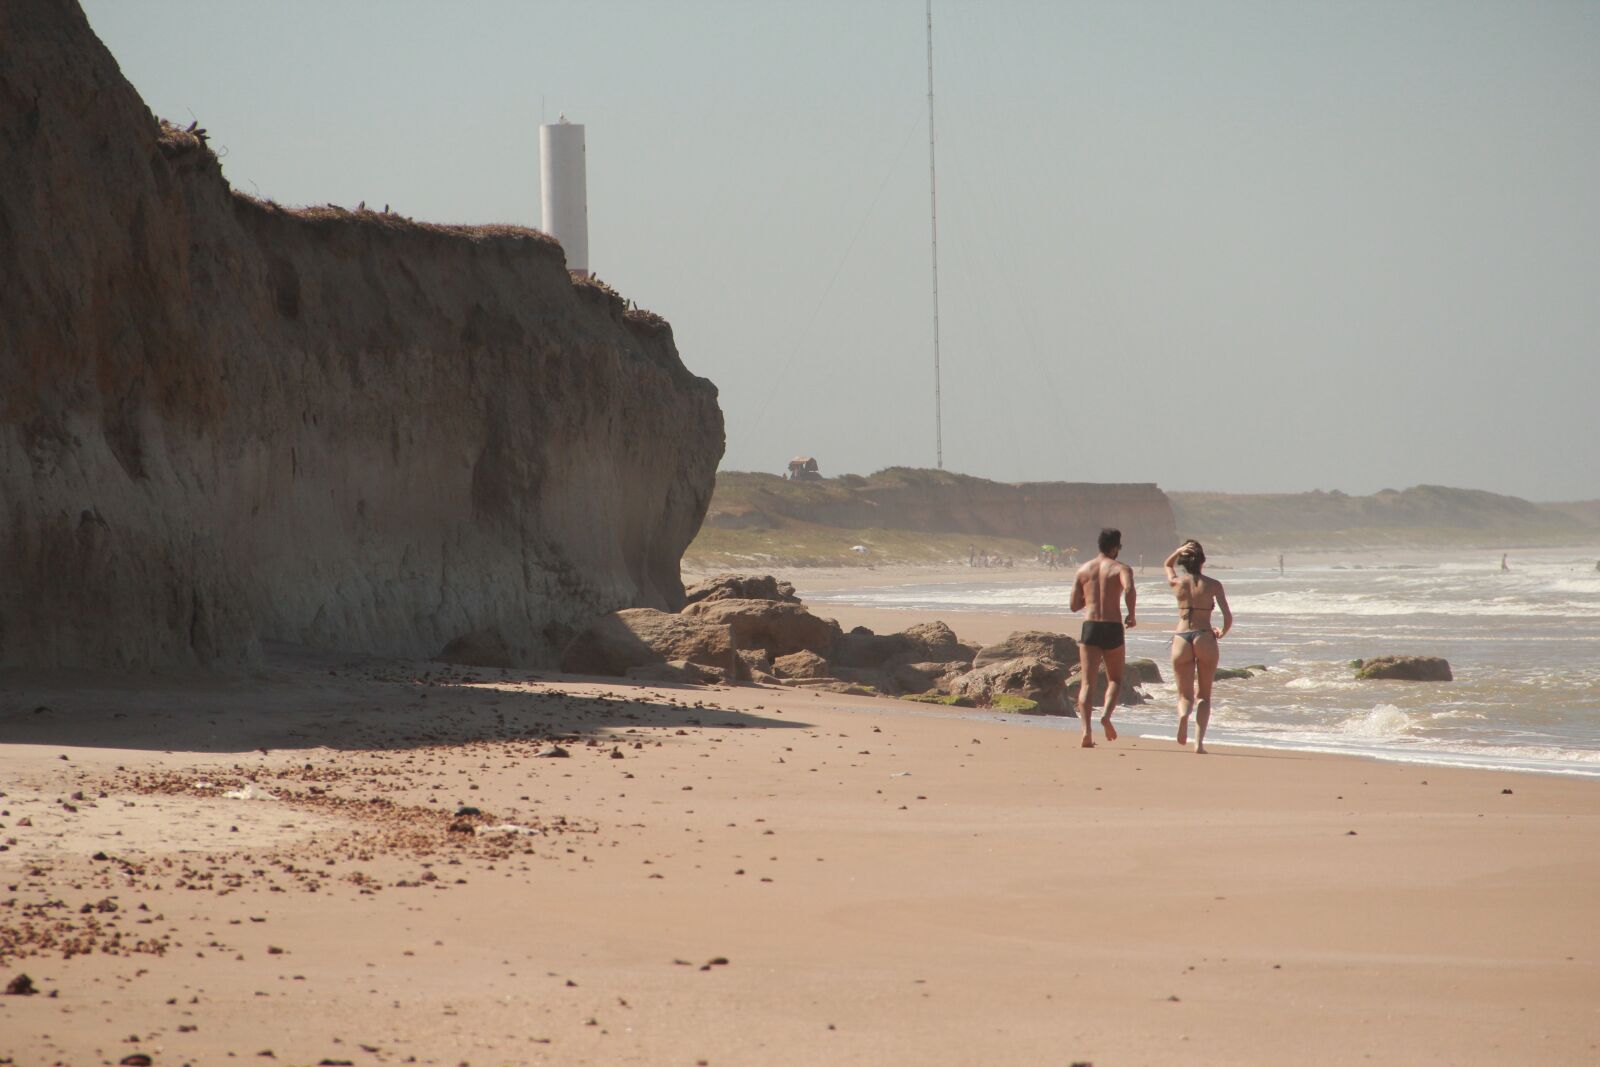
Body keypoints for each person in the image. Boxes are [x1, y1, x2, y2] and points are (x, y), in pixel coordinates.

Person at [1164, 540, 1233, 754]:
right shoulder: (1213, 585)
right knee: (1204, 695)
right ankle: (1198, 744)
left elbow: (1167, 565)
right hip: (1204, 636)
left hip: (1181, 637)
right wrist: (1222, 632)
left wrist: (1177, 551)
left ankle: (1183, 716)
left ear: (1183, 561)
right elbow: (1227, 617)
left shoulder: (1177, 583)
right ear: (1203, 560)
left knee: (1184, 696)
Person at [1069, 527, 1136, 748]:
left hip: (1090, 627)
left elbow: (1073, 605)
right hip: (1113, 626)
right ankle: (1106, 716)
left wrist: (1091, 598)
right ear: (1115, 547)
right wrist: (1131, 614)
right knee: (1115, 679)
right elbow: (1128, 589)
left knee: (1087, 682)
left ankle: (1086, 732)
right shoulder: (1121, 568)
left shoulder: (1083, 570)